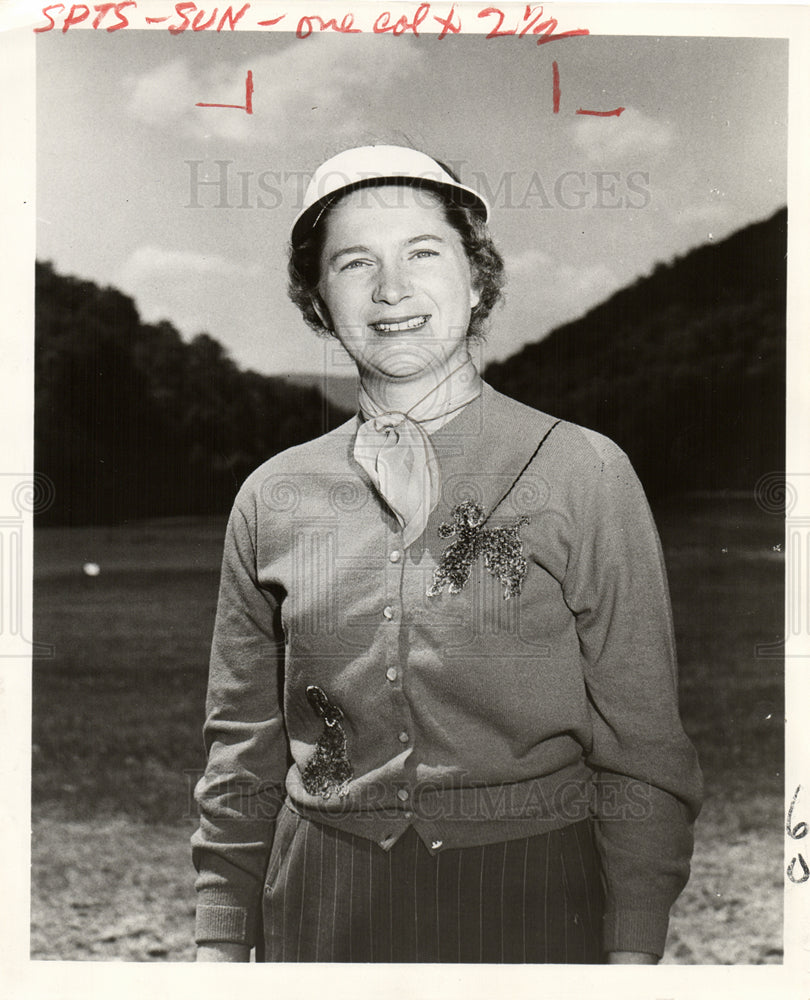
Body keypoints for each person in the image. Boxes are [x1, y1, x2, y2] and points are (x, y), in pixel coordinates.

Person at [192, 145, 703, 964]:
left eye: (423, 253)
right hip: (322, 895)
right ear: (319, 303)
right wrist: (219, 936)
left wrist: (634, 945)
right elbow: (241, 741)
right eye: (354, 263)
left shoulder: (581, 468)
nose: (391, 290)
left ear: (478, 280)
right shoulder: (272, 493)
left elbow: (643, 741)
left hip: (533, 889)